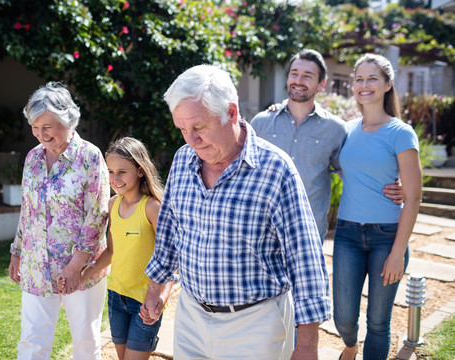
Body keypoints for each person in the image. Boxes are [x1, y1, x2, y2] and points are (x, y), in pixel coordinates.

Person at [139, 64, 331, 360]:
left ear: (231, 112)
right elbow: (170, 229)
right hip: (191, 315)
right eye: (182, 129)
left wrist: (307, 344)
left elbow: (304, 259)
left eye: (199, 127)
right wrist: (157, 285)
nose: (191, 140)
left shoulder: (275, 170)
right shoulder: (183, 159)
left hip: (255, 324)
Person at [251, 49, 403, 241]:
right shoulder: (261, 123)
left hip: (309, 229)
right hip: (262, 227)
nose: (298, 80)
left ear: (321, 84)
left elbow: (353, 171)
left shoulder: (335, 129)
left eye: (308, 76)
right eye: (294, 73)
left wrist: (395, 185)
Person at [8, 82, 110, 360]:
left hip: (81, 269)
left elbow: (97, 215)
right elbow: (27, 209)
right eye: (35, 127)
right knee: (31, 340)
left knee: (85, 341)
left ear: (68, 121)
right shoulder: (32, 158)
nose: (40, 134)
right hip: (35, 265)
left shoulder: (90, 157)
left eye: (48, 126)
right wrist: (17, 252)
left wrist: (76, 266)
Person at [333, 54, 422, 360]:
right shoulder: (347, 129)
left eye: (372, 78)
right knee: (343, 318)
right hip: (346, 234)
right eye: (358, 78)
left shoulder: (400, 133)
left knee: (378, 323)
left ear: (387, 85)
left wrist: (398, 252)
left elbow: (414, 197)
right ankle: (350, 344)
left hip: (387, 237)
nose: (364, 85)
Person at [67, 137, 173, 360]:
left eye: (122, 172)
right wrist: (82, 275)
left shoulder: (153, 207)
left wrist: (161, 298)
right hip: (116, 298)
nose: (115, 179)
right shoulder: (113, 205)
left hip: (145, 302)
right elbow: (111, 252)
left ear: (140, 170)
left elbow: (169, 258)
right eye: (111, 171)